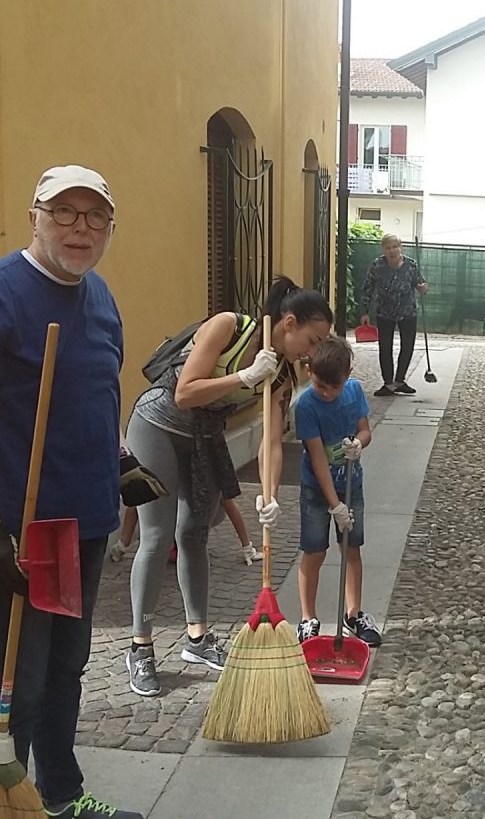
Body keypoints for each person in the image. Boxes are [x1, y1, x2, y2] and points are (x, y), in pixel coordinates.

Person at [0, 164, 155, 819]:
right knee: (17, 681)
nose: (79, 228)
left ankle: (62, 795)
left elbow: (97, 393)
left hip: (82, 520)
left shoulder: (98, 297)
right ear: (35, 214)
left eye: (94, 216)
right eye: (64, 213)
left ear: (110, 228)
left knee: (67, 667)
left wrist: (120, 463)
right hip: (21, 528)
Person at [124, 277, 333, 697]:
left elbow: (272, 441)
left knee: (194, 533)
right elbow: (184, 392)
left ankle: (197, 639)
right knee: (156, 535)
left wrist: (269, 494)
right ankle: (140, 646)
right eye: (312, 340)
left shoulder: (282, 378)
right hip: (154, 426)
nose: (312, 353)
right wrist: (243, 376)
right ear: (288, 324)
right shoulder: (228, 327)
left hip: (203, 439)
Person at [293, 336, 381, 646]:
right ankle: (307, 618)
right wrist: (335, 506)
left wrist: (359, 444)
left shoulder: (354, 391)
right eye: (320, 385)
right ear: (309, 371)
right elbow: (318, 460)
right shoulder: (305, 405)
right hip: (317, 490)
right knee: (315, 551)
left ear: (348, 374)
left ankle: (354, 613)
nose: (328, 393)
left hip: (351, 483)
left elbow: (365, 430)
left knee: (351, 548)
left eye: (335, 386)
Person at [359, 234, 427, 396]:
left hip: (408, 312)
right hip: (384, 312)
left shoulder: (411, 265)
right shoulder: (377, 265)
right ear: (383, 249)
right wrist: (364, 312)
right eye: (388, 247)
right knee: (385, 347)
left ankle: (400, 381)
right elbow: (367, 288)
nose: (392, 251)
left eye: (394, 247)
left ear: (400, 247)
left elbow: (420, 284)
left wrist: (423, 288)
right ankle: (388, 384)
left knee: (407, 346)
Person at [109, 496, 261, 565]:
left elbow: (228, 503)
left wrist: (247, 547)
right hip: (175, 519)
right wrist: (122, 544)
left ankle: (183, 541)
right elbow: (136, 502)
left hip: (195, 515)